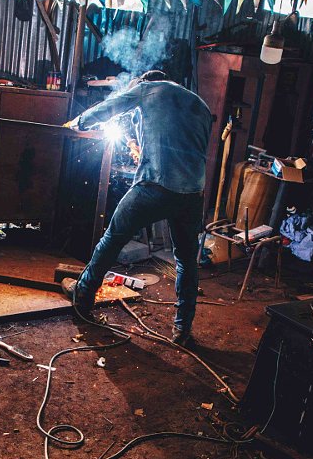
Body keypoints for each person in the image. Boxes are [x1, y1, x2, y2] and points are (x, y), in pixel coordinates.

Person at [62, 70, 213, 345]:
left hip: (154, 186)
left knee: (112, 239)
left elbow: (110, 107)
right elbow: (185, 148)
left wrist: (79, 122)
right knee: (187, 261)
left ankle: (82, 297)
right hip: (193, 194)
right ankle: (183, 329)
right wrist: (141, 147)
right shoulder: (200, 105)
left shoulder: (148, 89)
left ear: (144, 83)